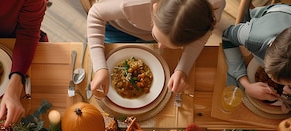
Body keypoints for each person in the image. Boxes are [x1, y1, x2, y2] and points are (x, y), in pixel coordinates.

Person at [87, 0, 225, 97]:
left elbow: (200, 39)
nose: (161, 47)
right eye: (158, 39)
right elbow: (95, 14)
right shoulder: (133, 3)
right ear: (155, 8)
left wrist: (182, 69)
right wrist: (100, 68)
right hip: (117, 27)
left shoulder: (212, 9)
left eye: (172, 45)